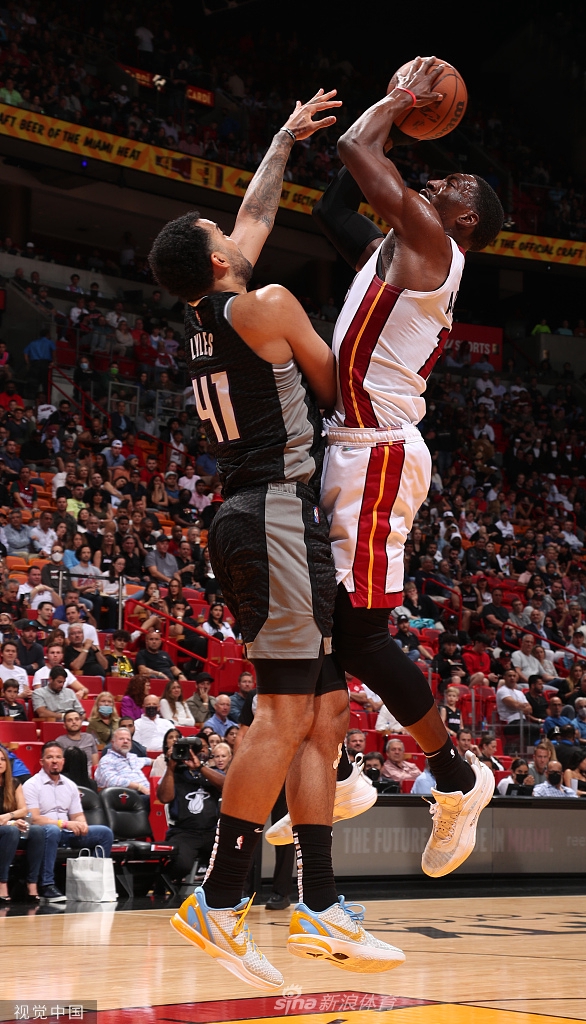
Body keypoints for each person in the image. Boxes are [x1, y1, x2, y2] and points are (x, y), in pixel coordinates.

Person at [149, 89, 403, 985]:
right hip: (274, 517)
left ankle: (318, 903)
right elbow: (339, 389)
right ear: (221, 260)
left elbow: (254, 215)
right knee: (285, 713)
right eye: (225, 235)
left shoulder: (210, 317)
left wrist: (282, 140)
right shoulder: (266, 305)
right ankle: (218, 901)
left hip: (261, 517)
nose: (239, 232)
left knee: (325, 712)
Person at [310, 56, 502, 881]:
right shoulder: (395, 246)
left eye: (451, 184)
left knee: (359, 635)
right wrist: (374, 130)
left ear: (462, 220)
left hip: (378, 454)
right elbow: (332, 204)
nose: (437, 179)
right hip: (349, 445)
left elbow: (356, 147)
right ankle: (337, 774)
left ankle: (456, 780)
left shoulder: (434, 247)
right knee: (317, 621)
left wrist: (397, 103)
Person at [23, 742, 114, 902]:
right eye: (50, 757)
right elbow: (34, 818)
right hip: (43, 833)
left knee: (104, 833)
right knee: (52, 831)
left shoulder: (70, 785)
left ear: (63, 761)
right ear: (41, 761)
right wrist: (64, 824)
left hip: (67, 833)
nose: (55, 761)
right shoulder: (31, 785)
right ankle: (47, 884)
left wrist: (81, 823)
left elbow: (77, 815)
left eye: (58, 757)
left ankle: (93, 882)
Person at [157, 736, 225, 883]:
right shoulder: (175, 774)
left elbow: (226, 785)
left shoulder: (213, 773)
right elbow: (164, 798)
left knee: (230, 859)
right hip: (184, 832)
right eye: (194, 749)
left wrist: (200, 768)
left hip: (211, 832)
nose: (199, 752)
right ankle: (162, 885)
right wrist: (171, 767)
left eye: (203, 748)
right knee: (182, 865)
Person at [0, 743, 46, 902]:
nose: (0, 763)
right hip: (7, 829)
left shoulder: (13, 783)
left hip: (10, 827)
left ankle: (31, 883)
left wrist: (11, 817)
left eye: (3, 759)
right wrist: (11, 823)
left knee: (37, 831)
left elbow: (24, 810)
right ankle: (2, 883)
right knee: (11, 831)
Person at [94, 728, 150, 796]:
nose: (125, 741)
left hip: (146, 793)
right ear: (112, 742)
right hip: (124, 796)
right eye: (121, 739)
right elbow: (112, 781)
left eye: (128, 739)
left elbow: (148, 761)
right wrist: (139, 787)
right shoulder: (107, 760)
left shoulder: (132, 757)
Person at [55, 709, 99, 774]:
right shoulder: (59, 741)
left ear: (81, 723)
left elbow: (95, 764)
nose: (74, 722)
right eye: (70, 720)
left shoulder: (89, 738)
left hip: (88, 777)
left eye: (77, 719)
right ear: (64, 725)